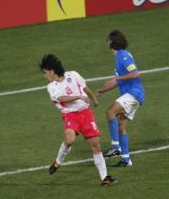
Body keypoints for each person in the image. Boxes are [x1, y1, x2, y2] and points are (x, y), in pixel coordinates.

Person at [39, 54, 116, 186]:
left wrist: (94, 99)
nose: (45, 76)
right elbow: (62, 98)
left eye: (45, 72)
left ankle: (105, 178)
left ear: (51, 71)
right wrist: (79, 96)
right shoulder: (52, 86)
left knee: (96, 145)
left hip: (85, 114)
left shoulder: (74, 75)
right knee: (70, 140)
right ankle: (58, 161)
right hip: (70, 114)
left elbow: (85, 88)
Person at [96, 30, 145, 167]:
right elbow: (116, 81)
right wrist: (102, 91)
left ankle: (115, 147)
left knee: (110, 112)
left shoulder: (123, 56)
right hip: (132, 94)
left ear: (111, 41)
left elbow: (135, 73)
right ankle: (126, 159)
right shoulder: (119, 57)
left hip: (134, 93)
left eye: (108, 39)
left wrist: (118, 78)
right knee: (121, 126)